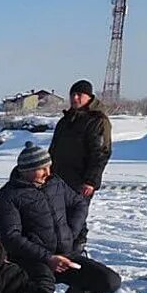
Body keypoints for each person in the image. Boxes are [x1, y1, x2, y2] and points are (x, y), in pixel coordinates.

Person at [0, 142, 122, 293]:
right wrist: (48, 258)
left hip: (66, 254)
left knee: (108, 281)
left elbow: (79, 204)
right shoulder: (7, 197)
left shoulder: (55, 183)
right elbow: (11, 238)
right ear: (25, 170)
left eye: (48, 167)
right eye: (41, 169)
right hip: (33, 260)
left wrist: (71, 232)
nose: (47, 172)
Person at [49, 79, 111, 249]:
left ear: (89, 97)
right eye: (72, 94)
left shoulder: (97, 120)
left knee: (76, 218)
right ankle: (61, 251)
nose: (75, 98)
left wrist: (91, 180)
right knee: (57, 216)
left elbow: (100, 153)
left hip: (80, 180)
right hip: (58, 177)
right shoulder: (66, 120)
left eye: (79, 95)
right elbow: (53, 149)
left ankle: (77, 250)